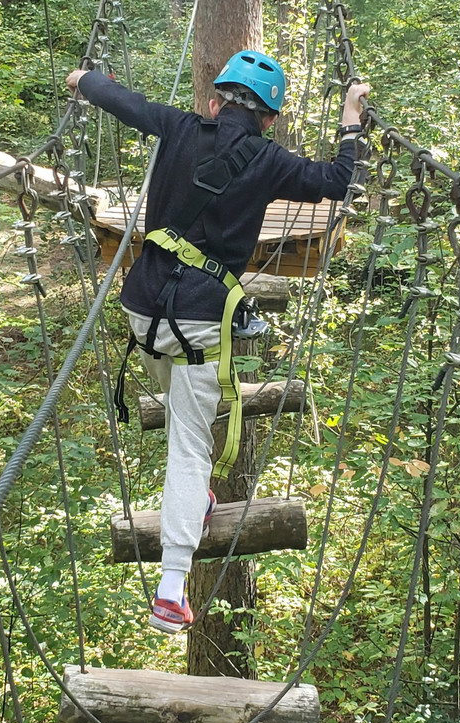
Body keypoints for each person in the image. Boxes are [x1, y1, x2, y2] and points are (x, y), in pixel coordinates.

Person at [66, 51, 370, 634]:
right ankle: (172, 587)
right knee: (189, 444)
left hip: (140, 309)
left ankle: (191, 500)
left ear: (214, 101)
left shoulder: (178, 125)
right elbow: (338, 180)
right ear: (270, 120)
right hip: (203, 323)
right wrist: (351, 117)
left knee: (176, 394)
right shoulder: (272, 159)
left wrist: (83, 79)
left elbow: (120, 98)